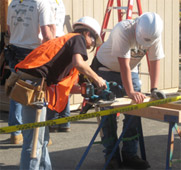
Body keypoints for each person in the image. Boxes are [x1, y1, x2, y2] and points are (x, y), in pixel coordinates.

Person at [12, 16, 107, 169]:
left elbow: (63, 86)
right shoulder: (77, 39)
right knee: (33, 143)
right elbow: (79, 63)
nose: (91, 46)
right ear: (87, 33)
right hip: (34, 86)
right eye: (94, 41)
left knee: (42, 140)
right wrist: (97, 79)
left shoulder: (66, 43)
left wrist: (84, 90)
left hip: (35, 85)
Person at [91, 12, 165, 169]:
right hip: (106, 69)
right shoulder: (122, 30)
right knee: (108, 115)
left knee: (135, 113)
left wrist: (154, 89)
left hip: (131, 70)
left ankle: (130, 154)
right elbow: (123, 64)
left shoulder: (154, 34)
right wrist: (130, 92)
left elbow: (155, 60)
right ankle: (111, 156)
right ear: (137, 27)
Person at [6, 0, 56, 144]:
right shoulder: (41, 4)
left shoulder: (14, 3)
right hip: (33, 52)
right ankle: (39, 135)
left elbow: (9, 30)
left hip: (15, 50)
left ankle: (15, 132)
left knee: (17, 89)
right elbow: (47, 34)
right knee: (38, 93)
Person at [47, 0, 71, 133]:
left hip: (54, 43)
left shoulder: (46, 3)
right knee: (62, 83)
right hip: (61, 41)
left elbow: (50, 28)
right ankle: (64, 120)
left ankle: (53, 120)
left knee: (52, 83)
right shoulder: (58, 2)